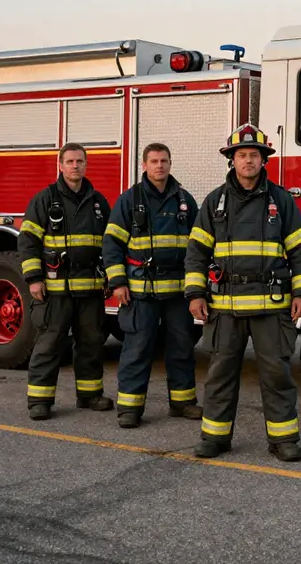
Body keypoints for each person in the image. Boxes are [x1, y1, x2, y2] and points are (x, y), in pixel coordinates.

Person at [185, 123, 301, 462]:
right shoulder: (215, 202)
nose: (247, 161)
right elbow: (196, 253)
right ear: (232, 160)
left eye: (253, 155)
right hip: (224, 306)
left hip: (271, 305)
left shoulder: (281, 200)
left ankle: (283, 440)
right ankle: (215, 438)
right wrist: (196, 295)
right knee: (220, 374)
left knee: (276, 374)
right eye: (241, 155)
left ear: (263, 160)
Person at [102, 143, 202, 428]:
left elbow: (197, 246)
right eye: (154, 161)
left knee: (182, 347)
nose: (160, 166)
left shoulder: (185, 200)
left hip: (177, 292)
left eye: (164, 161)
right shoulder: (129, 200)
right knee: (138, 347)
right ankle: (130, 408)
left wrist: (196, 287)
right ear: (144, 165)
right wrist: (118, 282)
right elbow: (112, 244)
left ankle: (183, 402)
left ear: (171, 164)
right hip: (140, 291)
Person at [18, 143, 114, 421]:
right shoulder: (45, 199)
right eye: (70, 161)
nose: (75, 166)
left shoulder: (98, 202)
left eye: (80, 161)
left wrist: (109, 275)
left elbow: (108, 244)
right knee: (49, 345)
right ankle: (39, 401)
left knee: (91, 343)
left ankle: (89, 394)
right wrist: (34, 278)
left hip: (90, 291)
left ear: (86, 165)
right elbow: (27, 241)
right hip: (55, 290)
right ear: (60, 166)